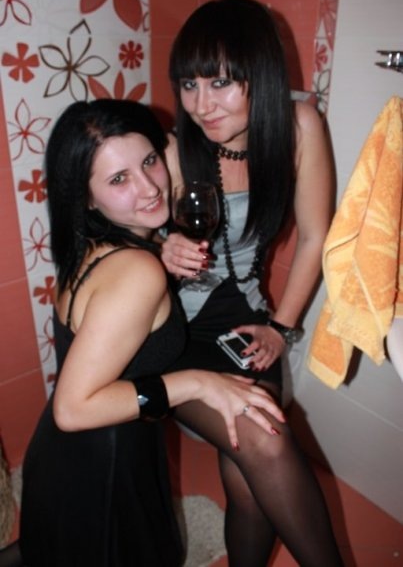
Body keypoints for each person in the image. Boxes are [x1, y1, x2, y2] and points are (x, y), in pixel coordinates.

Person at [15, 98, 284, 567]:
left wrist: (161, 249)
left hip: (65, 462)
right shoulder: (137, 273)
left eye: (149, 161)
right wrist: (198, 382)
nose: (149, 187)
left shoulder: (90, 247)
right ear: (87, 197)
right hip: (103, 474)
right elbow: (72, 409)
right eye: (118, 180)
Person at [159, 0, 345, 566]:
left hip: (246, 321)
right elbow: (114, 237)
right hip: (173, 332)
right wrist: (159, 247)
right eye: (189, 85)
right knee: (264, 437)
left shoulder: (298, 128)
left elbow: (315, 236)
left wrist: (280, 328)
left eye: (220, 83)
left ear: (259, 76)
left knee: (248, 483)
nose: (201, 105)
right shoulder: (171, 147)